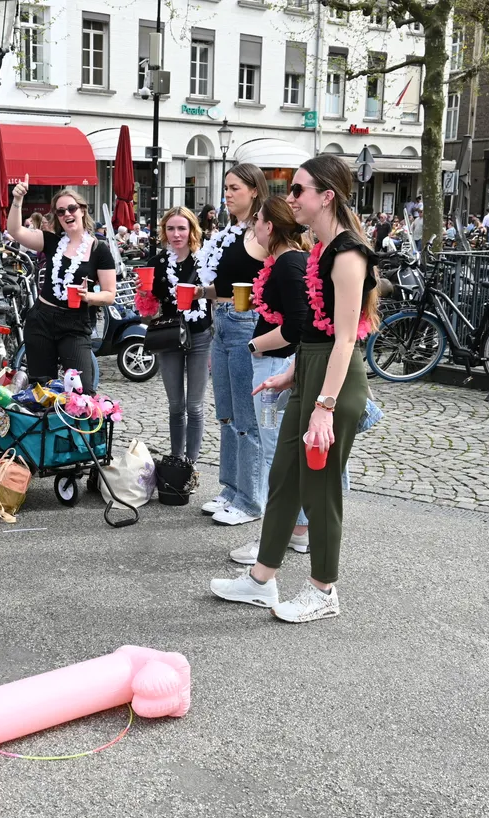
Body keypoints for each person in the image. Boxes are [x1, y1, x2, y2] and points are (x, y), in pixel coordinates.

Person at [211, 153, 378, 624]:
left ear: (326, 196)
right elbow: (316, 333)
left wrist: (323, 406)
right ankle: (262, 580)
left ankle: (324, 590)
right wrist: (293, 374)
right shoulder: (322, 251)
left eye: (299, 190)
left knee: (321, 488)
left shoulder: (347, 253)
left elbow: (345, 338)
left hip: (335, 384)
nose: (290, 199)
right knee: (283, 476)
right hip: (312, 370)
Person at [230, 195, 310, 566]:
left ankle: (272, 539)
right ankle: (296, 529)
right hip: (276, 365)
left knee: (275, 453)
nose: (253, 226)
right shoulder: (284, 262)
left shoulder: (288, 264)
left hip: (277, 367)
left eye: (257, 220)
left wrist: (253, 343)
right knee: (279, 450)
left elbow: (296, 326)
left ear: (270, 227)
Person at [198, 163, 269, 527]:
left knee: (247, 416)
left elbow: (273, 281)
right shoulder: (226, 233)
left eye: (235, 187)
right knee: (226, 413)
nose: (227, 194)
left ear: (255, 190)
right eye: (226, 187)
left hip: (244, 325)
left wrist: (255, 303)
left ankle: (251, 499)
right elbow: (224, 285)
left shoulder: (262, 232)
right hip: (220, 321)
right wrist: (199, 292)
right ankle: (230, 488)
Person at [7, 177, 116, 385]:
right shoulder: (51, 241)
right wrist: (18, 199)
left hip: (75, 323)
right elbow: (15, 231)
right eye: (60, 211)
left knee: (81, 390)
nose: (67, 214)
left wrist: (88, 296)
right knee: (41, 388)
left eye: (71, 208)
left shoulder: (98, 249)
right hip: (41, 319)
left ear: (82, 210)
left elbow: (109, 294)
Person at [145, 206, 210, 470]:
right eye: (170, 228)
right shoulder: (158, 263)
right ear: (164, 231)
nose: (176, 234)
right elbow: (148, 308)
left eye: (182, 228)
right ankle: (176, 458)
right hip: (169, 335)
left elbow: (218, 297)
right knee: (175, 405)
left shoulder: (205, 260)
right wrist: (143, 295)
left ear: (192, 230)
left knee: (194, 406)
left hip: (201, 334)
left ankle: (191, 464)